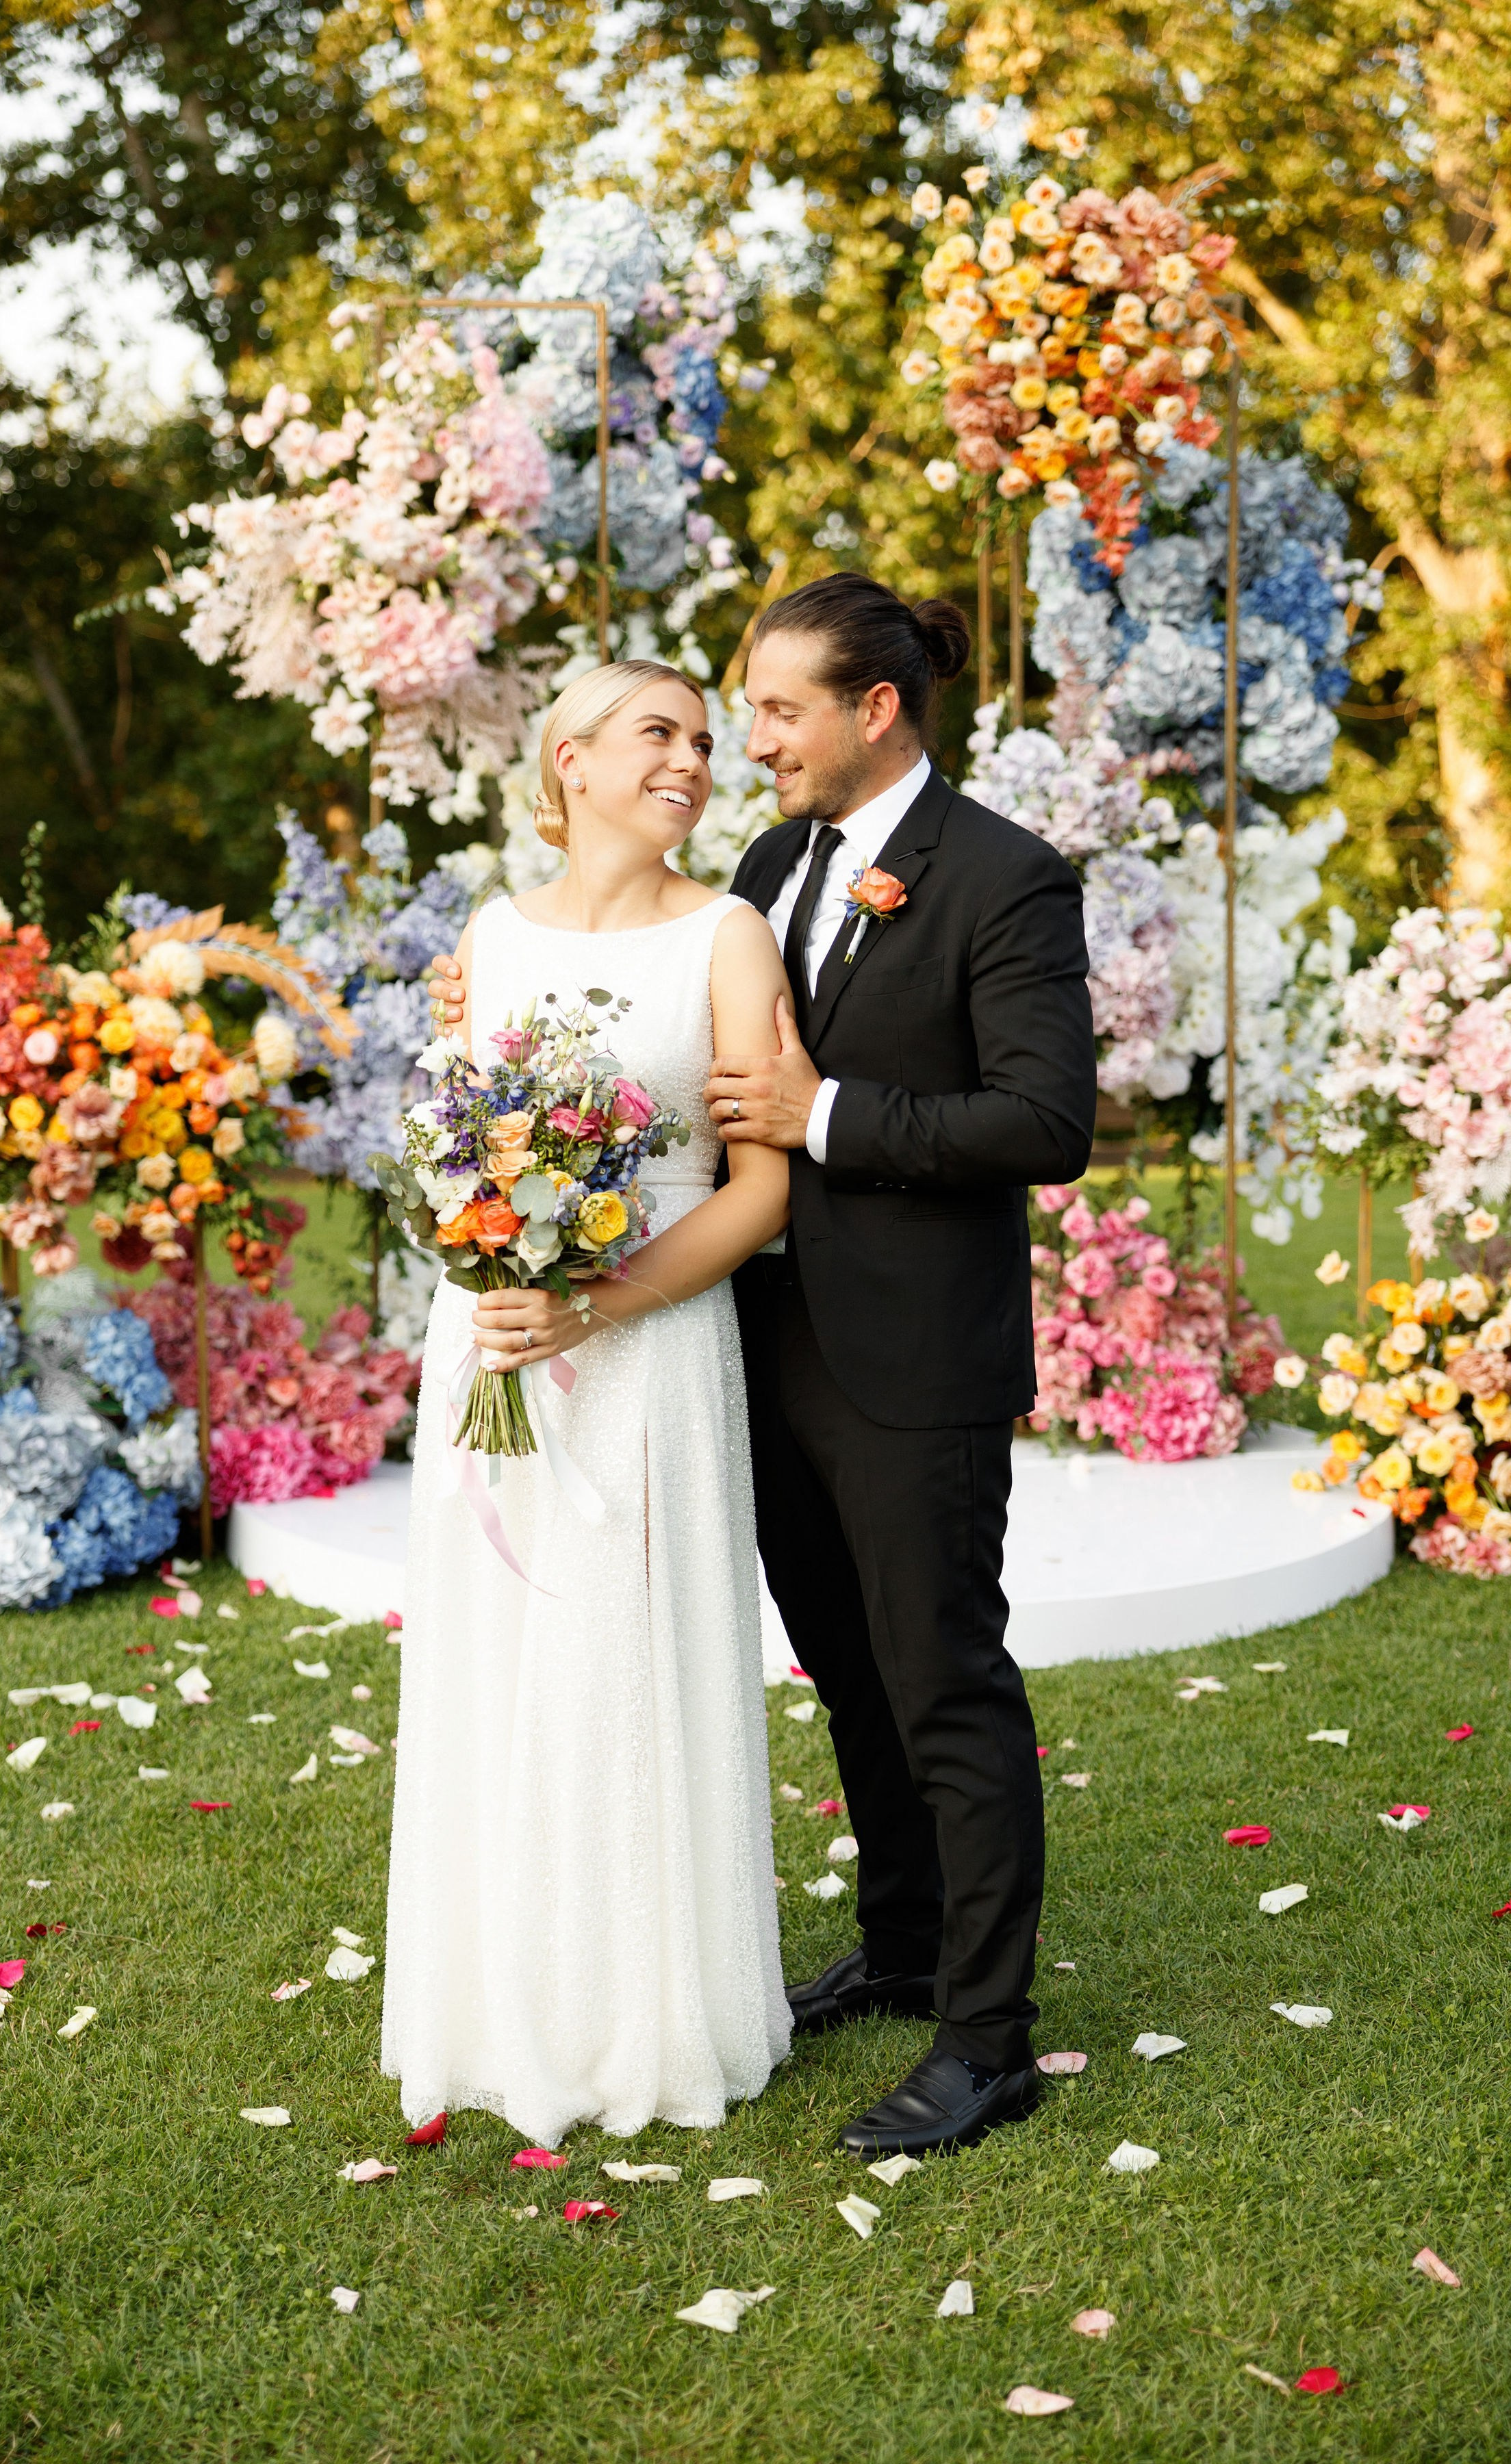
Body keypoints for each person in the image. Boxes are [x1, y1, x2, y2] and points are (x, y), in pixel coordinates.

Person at [707, 574, 1096, 2156]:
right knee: (845, 1665)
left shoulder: (1007, 878)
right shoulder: (769, 859)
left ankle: (988, 2040)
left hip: (915, 1352)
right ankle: (907, 1936)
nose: (757, 741)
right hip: (767, 1336)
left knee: (944, 1682)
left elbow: (1044, 1123)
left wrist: (828, 1119)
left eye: (782, 710)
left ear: (877, 710)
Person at [381, 659, 794, 2150]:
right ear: (568, 759)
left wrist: (596, 1302)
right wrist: (487, 1263)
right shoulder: (487, 937)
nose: (693, 758)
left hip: (655, 1350)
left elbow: (759, 1193)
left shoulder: (729, 938)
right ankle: (499, 2005)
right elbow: (453, 1139)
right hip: (492, 1341)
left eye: (702, 739)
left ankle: (652, 2012)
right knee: (505, 1661)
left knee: (631, 1661)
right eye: (659, 735)